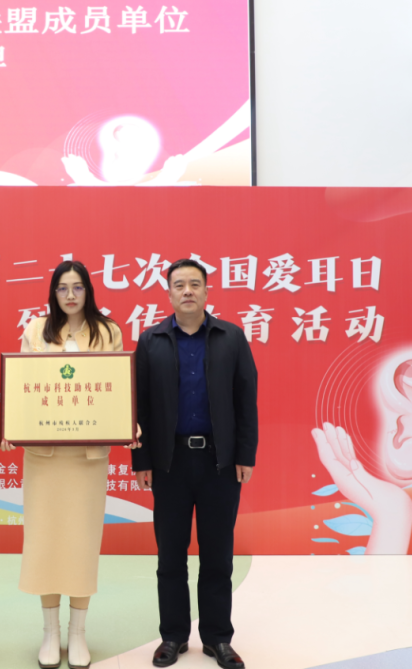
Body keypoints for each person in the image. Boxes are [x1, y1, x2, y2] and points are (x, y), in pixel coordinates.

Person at [0, 260, 136, 669]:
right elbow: (21, 386)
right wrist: (10, 424)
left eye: (77, 287)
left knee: (81, 542)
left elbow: (117, 388)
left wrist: (128, 421)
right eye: (62, 288)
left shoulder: (107, 332)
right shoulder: (36, 330)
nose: (70, 295)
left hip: (87, 457)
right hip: (45, 456)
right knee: (45, 541)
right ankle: (50, 632)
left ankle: (77, 632)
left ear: (88, 291)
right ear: (53, 293)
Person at [131, 258, 258, 669]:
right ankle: (173, 636)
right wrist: (142, 459)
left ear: (206, 291)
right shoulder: (151, 341)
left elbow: (246, 400)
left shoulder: (231, 337)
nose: (187, 291)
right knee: (170, 555)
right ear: (168, 293)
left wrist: (245, 454)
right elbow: (139, 407)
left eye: (195, 284)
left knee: (218, 555)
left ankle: (218, 638)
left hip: (220, 462)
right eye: (179, 284)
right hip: (169, 463)